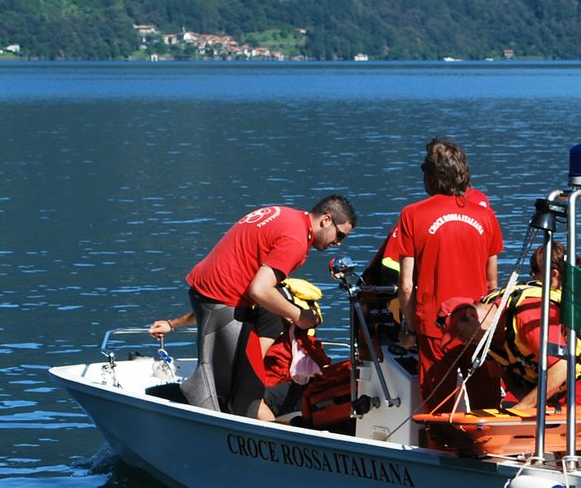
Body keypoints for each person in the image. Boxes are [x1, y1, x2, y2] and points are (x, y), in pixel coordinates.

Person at [168, 195, 355, 418]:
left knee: (235, 384)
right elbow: (260, 290)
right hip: (224, 302)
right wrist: (298, 315)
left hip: (210, 295)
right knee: (245, 393)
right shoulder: (296, 239)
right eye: (340, 235)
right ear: (326, 220)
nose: (338, 243)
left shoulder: (286, 215)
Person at [393, 138, 502, 406]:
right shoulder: (486, 217)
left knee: (437, 409)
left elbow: (405, 285)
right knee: (485, 407)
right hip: (477, 324)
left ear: (432, 176)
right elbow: (492, 284)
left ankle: (441, 447)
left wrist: (410, 327)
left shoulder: (412, 214)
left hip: (434, 328)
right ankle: (483, 447)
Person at [439, 244, 581, 410]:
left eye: (460, 333)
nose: (462, 341)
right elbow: (505, 373)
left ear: (472, 314)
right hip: (538, 378)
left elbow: (562, 368)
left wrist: (523, 408)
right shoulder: (483, 338)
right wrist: (525, 407)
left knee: (577, 436)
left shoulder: (527, 316)